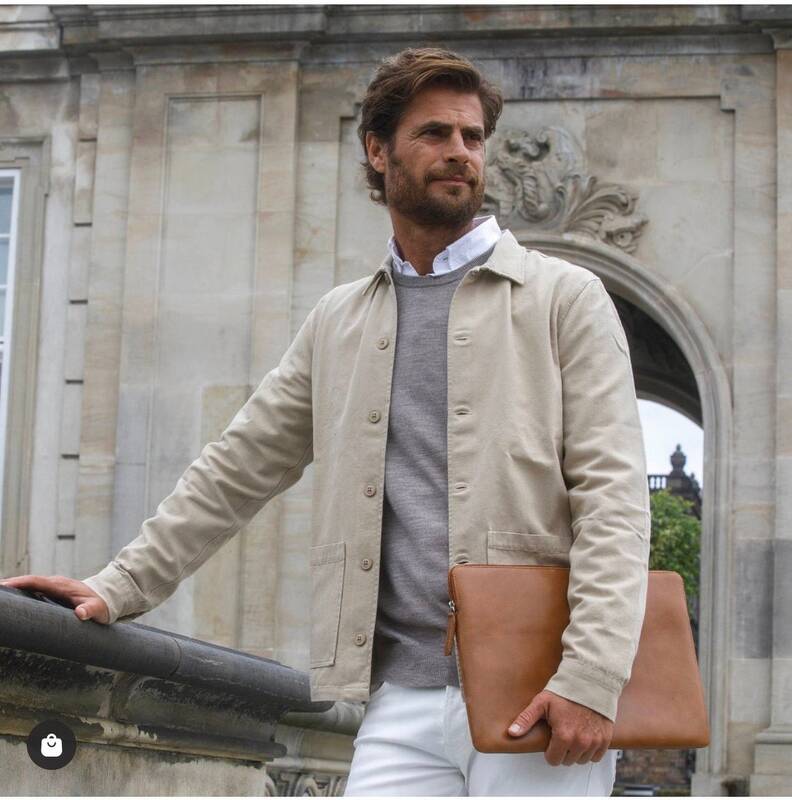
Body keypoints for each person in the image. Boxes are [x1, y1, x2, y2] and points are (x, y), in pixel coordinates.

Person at [1, 46, 650, 796]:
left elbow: (614, 499)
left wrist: (592, 676)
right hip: (398, 700)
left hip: (535, 691)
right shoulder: (340, 321)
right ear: (378, 151)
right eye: (434, 133)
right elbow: (236, 468)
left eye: (472, 136)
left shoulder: (565, 299)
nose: (460, 152)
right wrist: (118, 585)